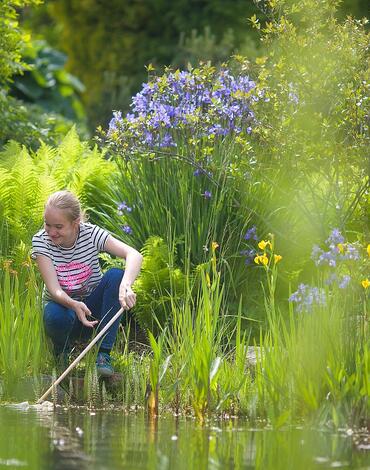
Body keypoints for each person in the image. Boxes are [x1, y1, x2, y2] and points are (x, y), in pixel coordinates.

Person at [31, 190, 143, 377]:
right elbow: (54, 289)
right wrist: (74, 305)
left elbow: (134, 254)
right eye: (47, 224)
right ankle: (61, 353)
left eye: (58, 226)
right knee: (53, 313)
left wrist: (126, 286)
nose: (51, 232)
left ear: (76, 224)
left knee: (116, 276)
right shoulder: (41, 241)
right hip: (63, 311)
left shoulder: (90, 234)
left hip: (92, 312)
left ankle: (104, 354)